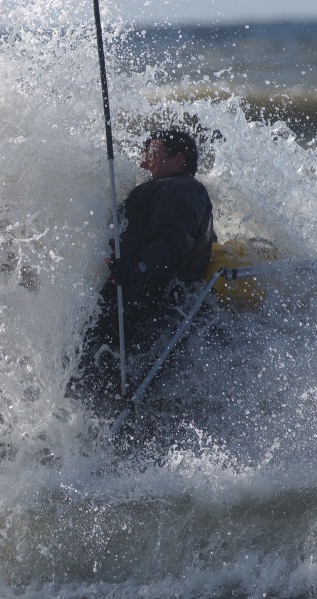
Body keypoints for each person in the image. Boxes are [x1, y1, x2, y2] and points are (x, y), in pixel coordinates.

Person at [68, 127, 216, 413]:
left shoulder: (181, 189)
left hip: (147, 305)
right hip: (138, 300)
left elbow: (173, 245)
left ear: (178, 161)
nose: (144, 163)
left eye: (153, 154)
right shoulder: (183, 193)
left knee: (91, 373)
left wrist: (138, 267)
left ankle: (92, 430)